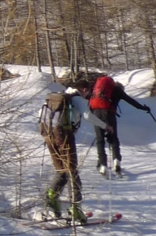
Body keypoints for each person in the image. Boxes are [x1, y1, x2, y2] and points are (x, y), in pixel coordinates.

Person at [39, 86, 107, 223]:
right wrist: (105, 126)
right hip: (64, 136)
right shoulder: (76, 99)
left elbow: (40, 114)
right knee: (72, 171)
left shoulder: (53, 99)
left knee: (61, 170)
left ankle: (51, 196)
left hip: (48, 136)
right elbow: (88, 116)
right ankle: (75, 207)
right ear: (83, 90)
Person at [88, 74, 151, 176]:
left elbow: (89, 100)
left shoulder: (97, 90)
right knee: (113, 138)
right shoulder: (117, 90)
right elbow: (131, 101)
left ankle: (103, 165)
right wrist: (144, 108)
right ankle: (116, 160)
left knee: (100, 139)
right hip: (109, 114)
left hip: (96, 113)